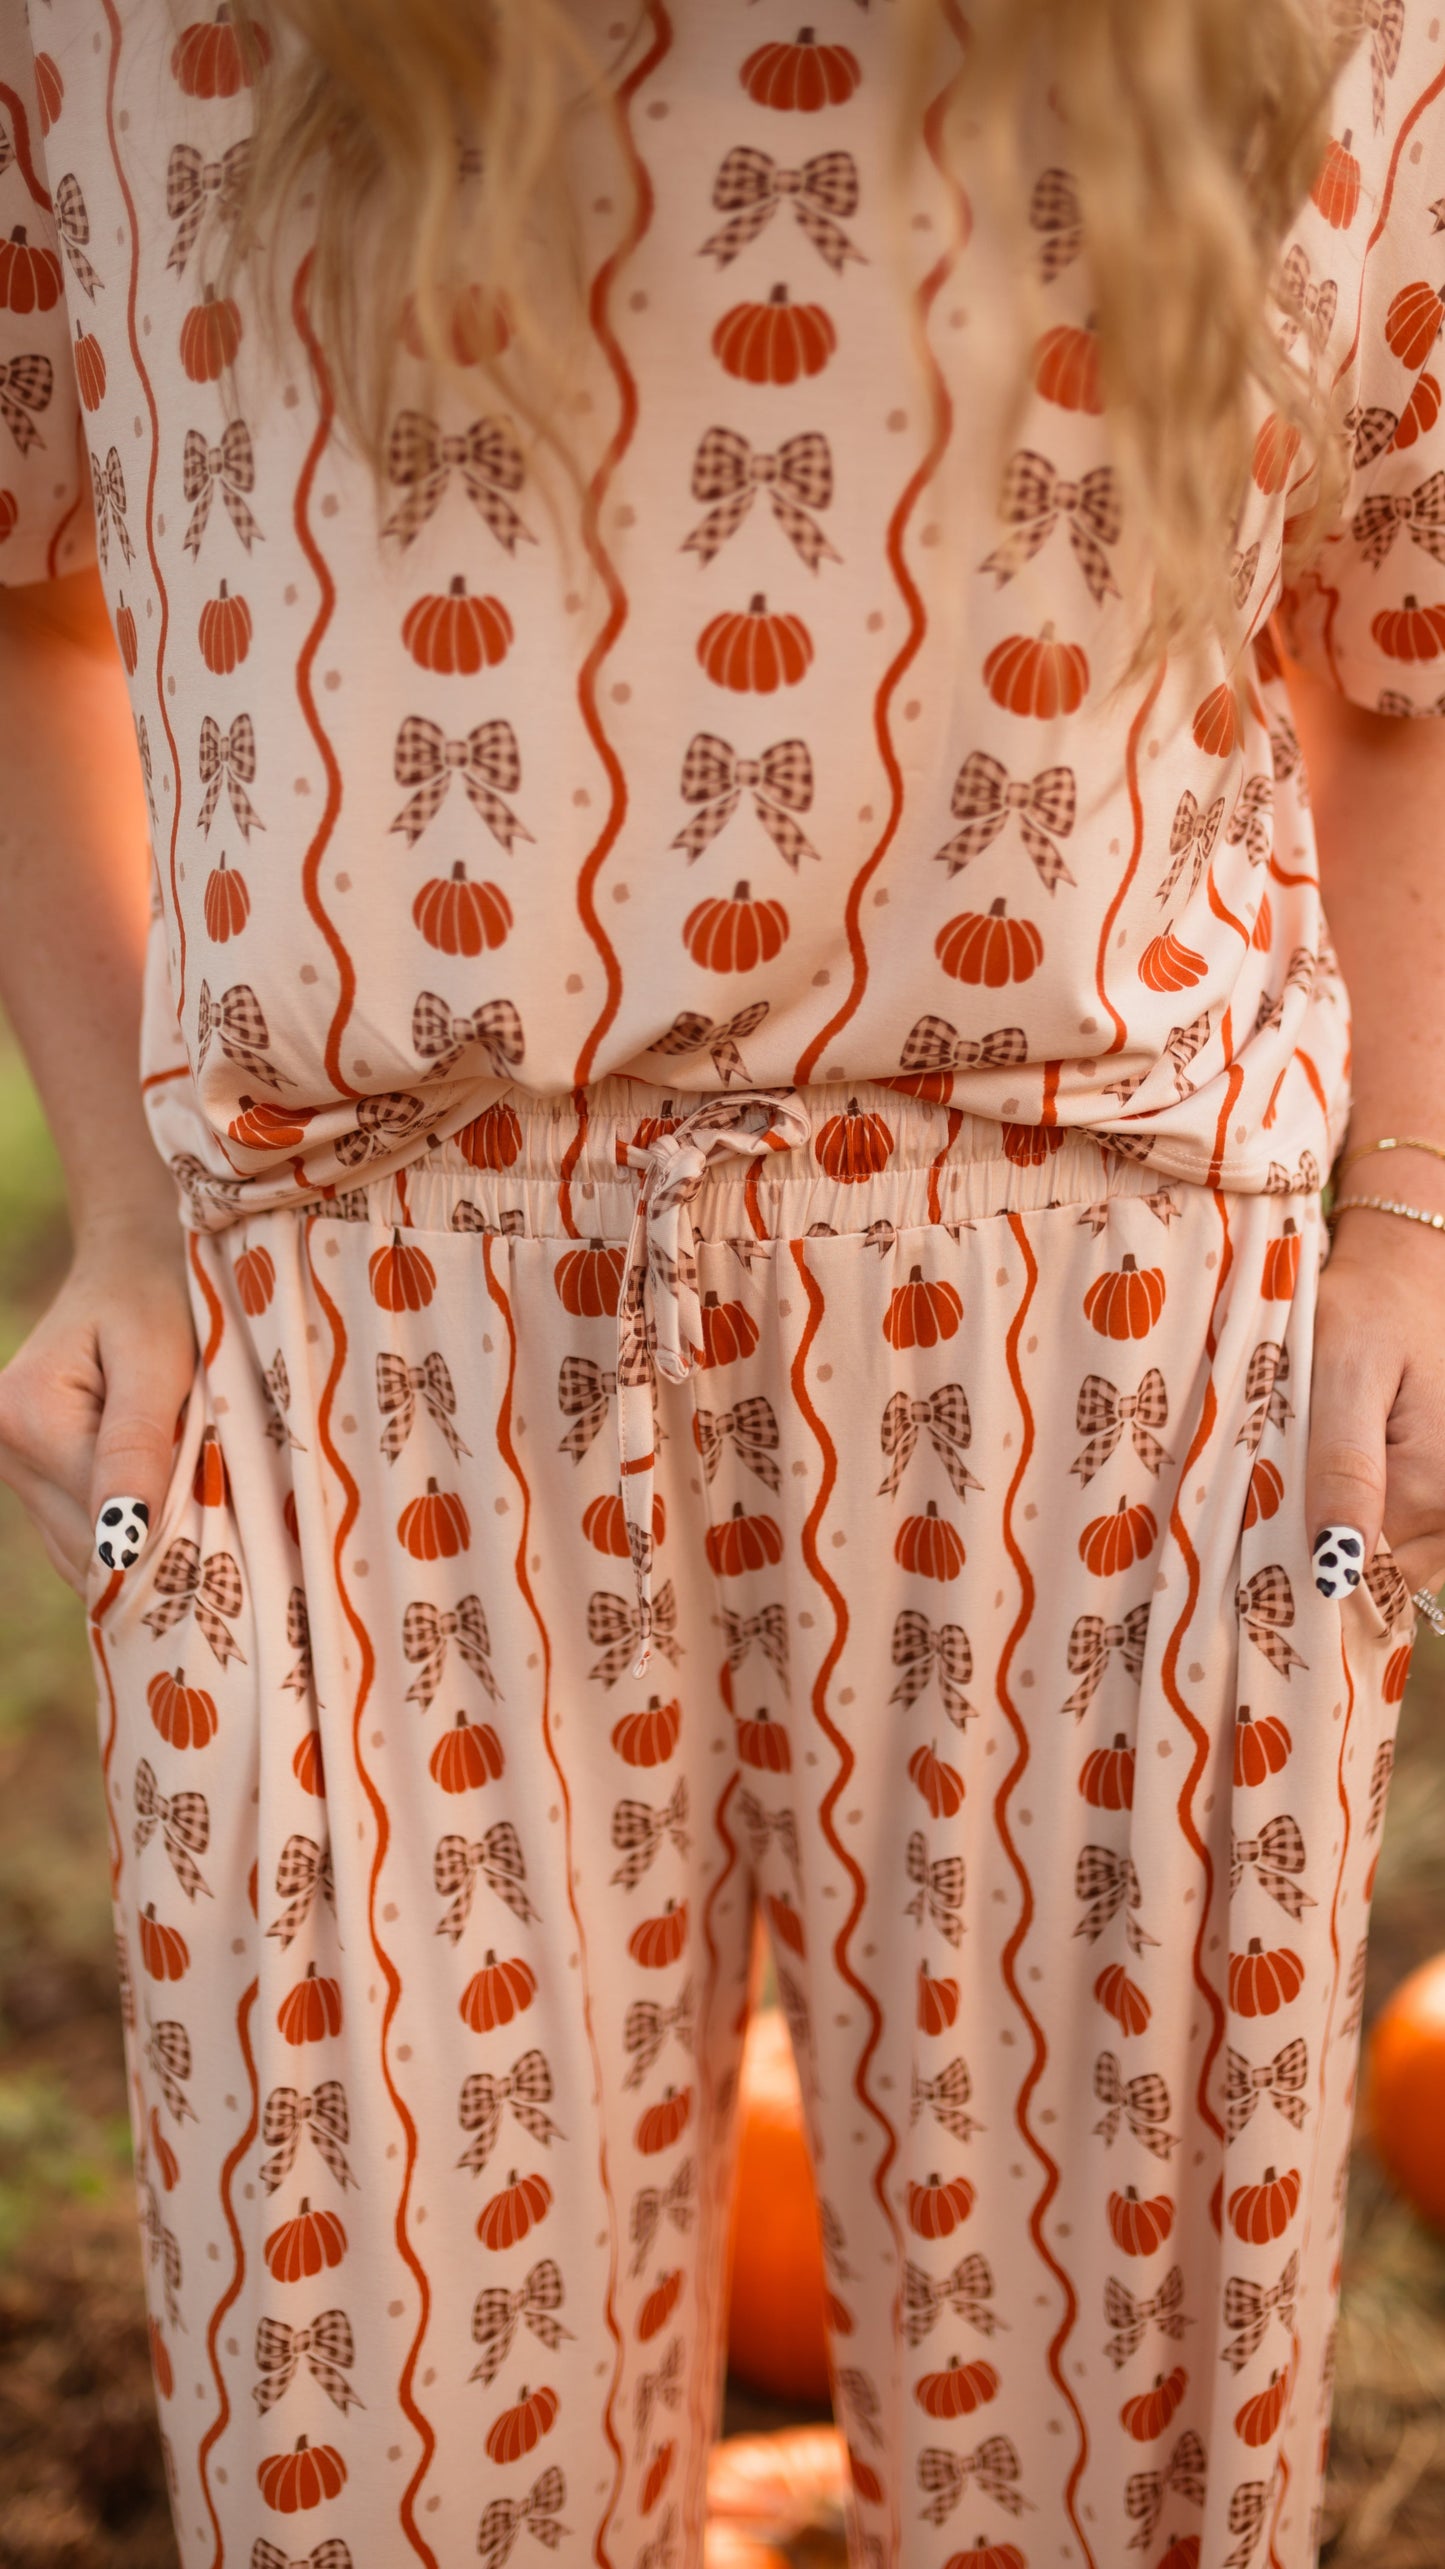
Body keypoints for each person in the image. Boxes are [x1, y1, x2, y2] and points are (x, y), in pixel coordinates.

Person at [0, 0, 1442, 2562]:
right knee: (390, 2482)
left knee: (1113, 2485)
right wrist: (123, 1205)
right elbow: (21, 561)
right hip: (366, 1328)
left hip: (1101, 1335)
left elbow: (1409, 613)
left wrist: (1411, 1213)